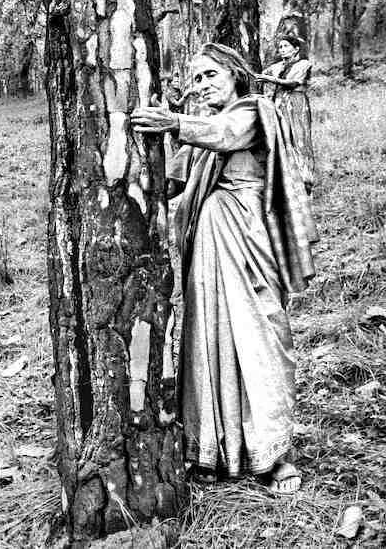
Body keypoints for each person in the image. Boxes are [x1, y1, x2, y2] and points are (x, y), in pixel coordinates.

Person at [130, 43, 318, 495]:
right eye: (195, 80)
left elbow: (224, 133)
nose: (201, 86)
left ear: (236, 75)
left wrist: (174, 122)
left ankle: (275, 454)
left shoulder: (254, 112)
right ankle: (216, 451)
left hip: (250, 244)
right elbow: (171, 181)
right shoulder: (198, 138)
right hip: (208, 251)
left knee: (260, 339)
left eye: (210, 75)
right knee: (209, 342)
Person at [256, 34, 315, 182]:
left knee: (298, 137)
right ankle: (284, 177)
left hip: (296, 104)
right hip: (279, 104)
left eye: (286, 46)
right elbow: (262, 74)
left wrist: (270, 79)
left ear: (296, 49)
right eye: (280, 47)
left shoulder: (303, 64)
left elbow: (292, 83)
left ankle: (304, 177)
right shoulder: (278, 66)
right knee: (282, 136)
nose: (282, 50)